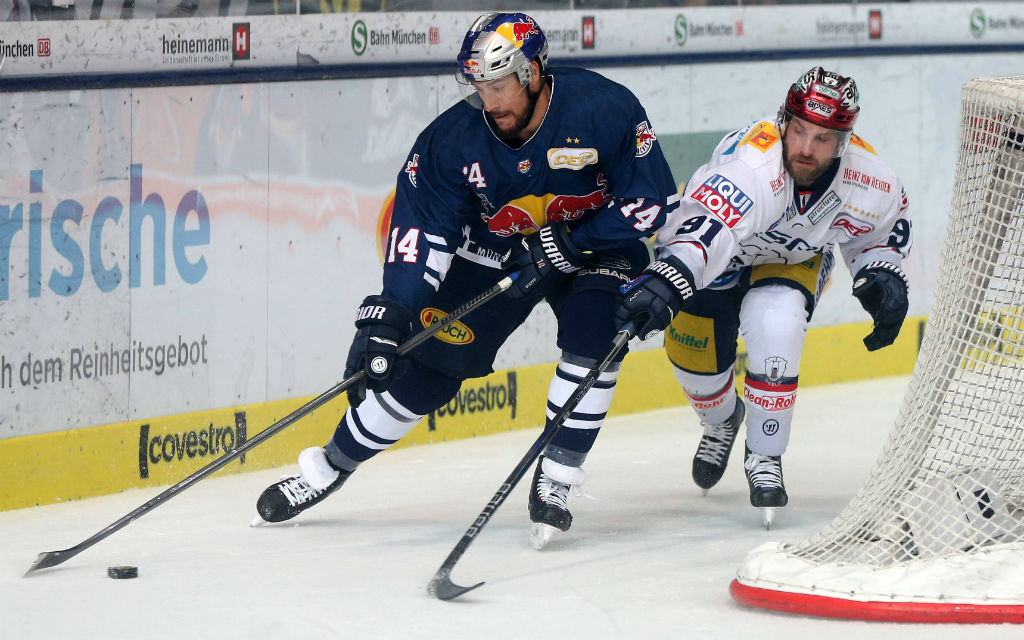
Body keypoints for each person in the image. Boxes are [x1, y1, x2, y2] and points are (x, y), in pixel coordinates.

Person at [254, 12, 679, 546]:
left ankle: (556, 477)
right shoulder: (451, 140)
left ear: (533, 73)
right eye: (479, 86)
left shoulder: (604, 107)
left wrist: (568, 243)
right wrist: (395, 309)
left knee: (596, 334)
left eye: (499, 85)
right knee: (426, 367)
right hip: (500, 253)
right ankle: (328, 467)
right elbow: (422, 232)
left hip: (593, 245)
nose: (490, 101)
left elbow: (654, 201)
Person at [614, 67, 912, 527]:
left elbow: (880, 232)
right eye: (799, 131)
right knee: (695, 359)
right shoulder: (754, 165)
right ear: (783, 122)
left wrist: (883, 275)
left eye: (823, 138)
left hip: (794, 258)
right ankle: (720, 421)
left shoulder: (870, 179)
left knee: (779, 321)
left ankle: (765, 456)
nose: (807, 148)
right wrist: (667, 278)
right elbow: (707, 231)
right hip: (721, 252)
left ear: (845, 141)